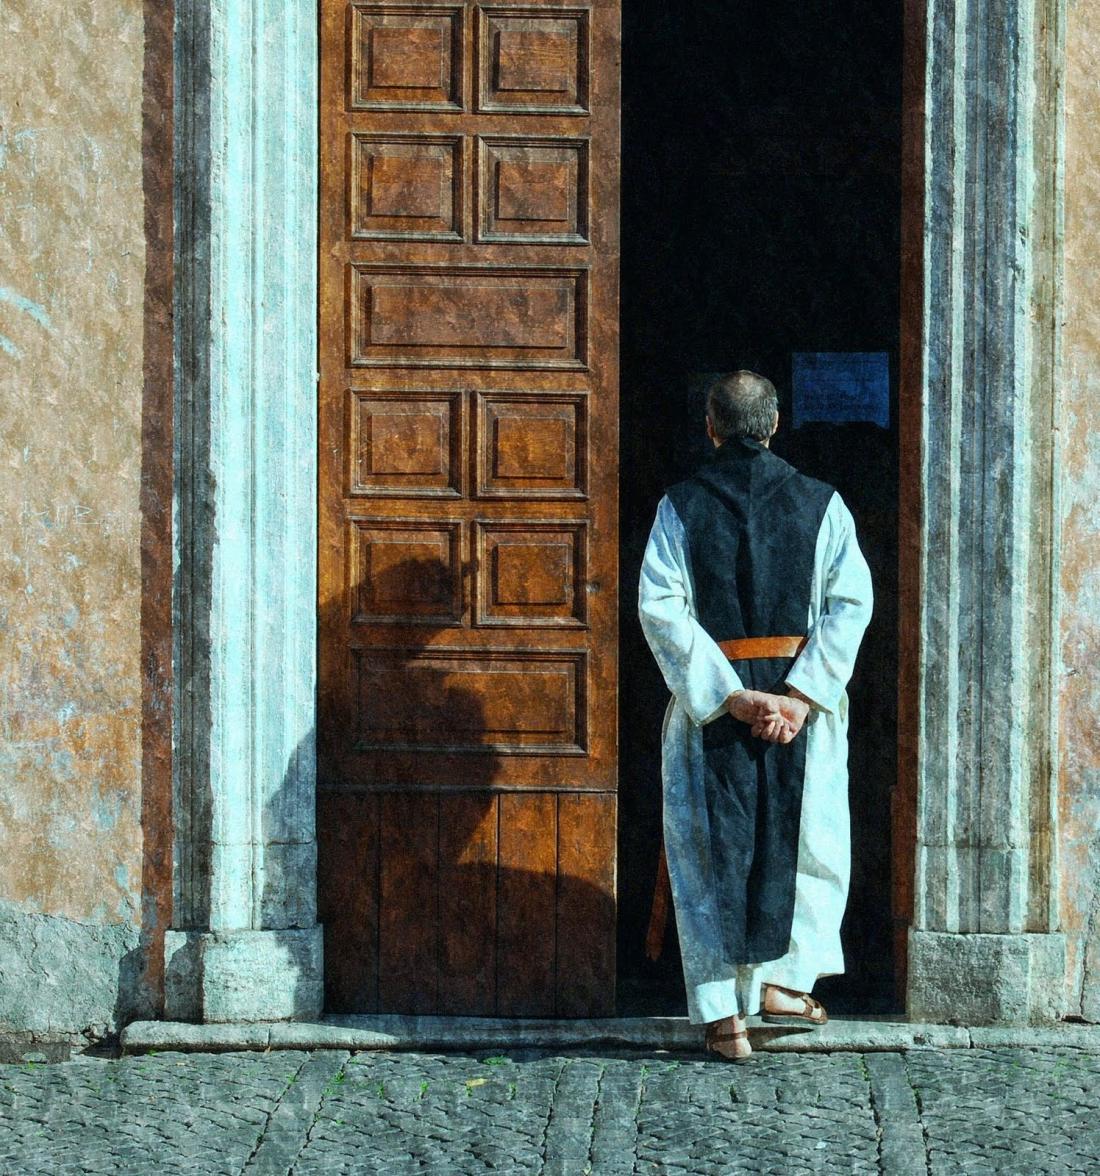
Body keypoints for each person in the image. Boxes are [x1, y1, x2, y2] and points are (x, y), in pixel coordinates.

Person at [637, 370, 873, 1062]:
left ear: (710, 427)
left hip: (713, 709)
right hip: (802, 713)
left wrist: (731, 697)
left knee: (710, 855)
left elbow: (661, 610)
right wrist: (799, 698)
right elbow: (850, 604)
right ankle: (781, 983)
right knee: (804, 849)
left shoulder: (679, 507)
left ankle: (725, 1018)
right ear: (774, 426)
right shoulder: (823, 504)